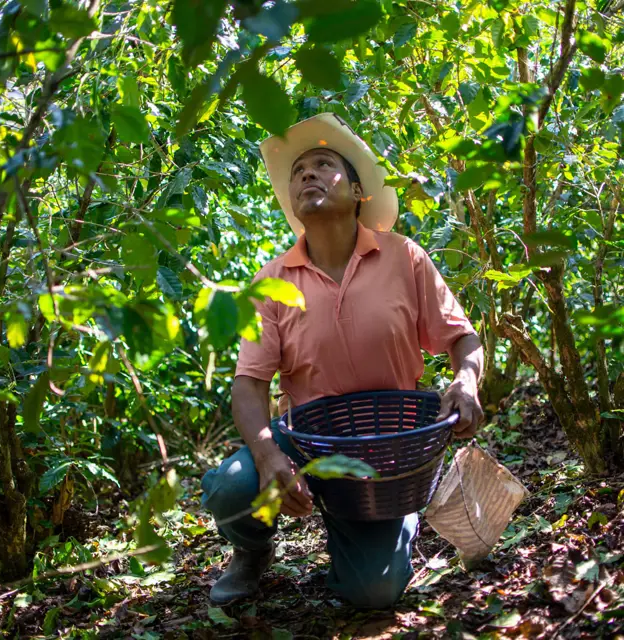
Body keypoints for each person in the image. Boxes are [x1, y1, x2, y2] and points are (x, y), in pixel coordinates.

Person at [201, 113, 484, 609]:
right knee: (232, 488)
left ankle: (381, 524)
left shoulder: (404, 258)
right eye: (299, 171)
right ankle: (251, 550)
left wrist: (466, 381)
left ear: (358, 193)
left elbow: (463, 337)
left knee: (373, 593)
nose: (307, 173)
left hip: (387, 447)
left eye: (324, 164)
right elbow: (249, 384)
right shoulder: (272, 281)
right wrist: (269, 456)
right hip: (305, 438)